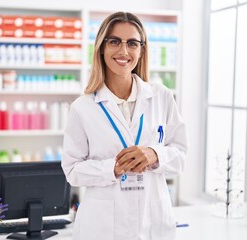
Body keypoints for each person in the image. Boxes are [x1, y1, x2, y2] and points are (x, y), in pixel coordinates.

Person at [62, 11, 187, 240]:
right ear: (101, 47)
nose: (124, 51)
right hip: (102, 227)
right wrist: (112, 168)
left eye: (132, 43)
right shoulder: (83, 107)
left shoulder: (161, 96)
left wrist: (155, 154)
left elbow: (181, 156)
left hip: (153, 222)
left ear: (142, 50)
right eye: (114, 42)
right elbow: (72, 171)